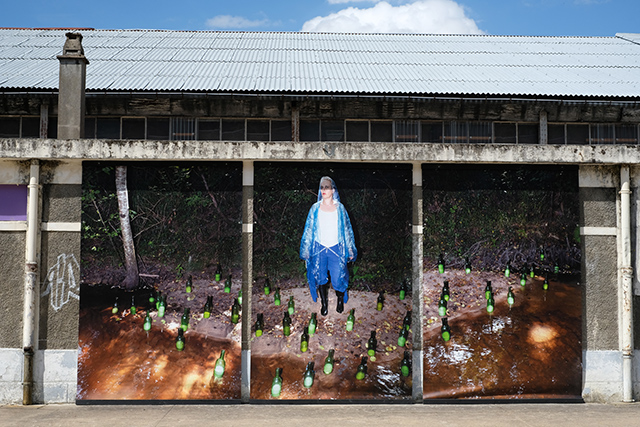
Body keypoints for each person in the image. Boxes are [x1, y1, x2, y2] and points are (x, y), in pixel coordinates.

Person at [300, 176, 357, 315]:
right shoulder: (314, 208)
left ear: (333, 190)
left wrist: (350, 249)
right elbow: (308, 230)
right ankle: (324, 304)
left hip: (336, 249)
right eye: (321, 187)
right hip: (319, 249)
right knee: (320, 278)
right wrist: (306, 249)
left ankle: (339, 299)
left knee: (338, 278)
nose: (324, 190)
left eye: (327, 187)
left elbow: (347, 230)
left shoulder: (340, 208)